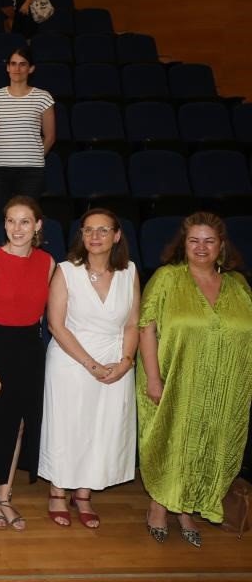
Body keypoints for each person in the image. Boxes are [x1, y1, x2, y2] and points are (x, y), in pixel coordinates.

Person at [138, 212, 252, 546]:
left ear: (221, 245)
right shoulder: (167, 278)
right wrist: (154, 378)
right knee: (173, 441)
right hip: (176, 379)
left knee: (209, 443)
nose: (201, 247)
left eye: (209, 241)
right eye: (194, 240)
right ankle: (159, 506)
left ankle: (187, 508)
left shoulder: (239, 285)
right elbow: (146, 327)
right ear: (183, 244)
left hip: (225, 385)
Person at [41, 209, 139, 529]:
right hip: (72, 360)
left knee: (102, 427)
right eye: (88, 230)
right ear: (81, 235)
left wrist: (125, 362)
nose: (95, 236)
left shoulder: (129, 271)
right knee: (68, 426)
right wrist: (90, 364)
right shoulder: (66, 271)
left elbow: (132, 323)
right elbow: (56, 325)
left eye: (103, 230)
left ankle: (83, 493)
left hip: (115, 359)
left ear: (117, 235)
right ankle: (58, 490)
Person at [0, 196, 54, 532]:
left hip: (29, 349)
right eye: (10, 221)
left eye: (24, 222)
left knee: (19, 425)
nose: (16, 229)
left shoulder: (48, 262)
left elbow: (46, 314)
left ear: (37, 226)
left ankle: (5, 495)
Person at [0, 46, 55, 233]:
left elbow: (50, 136)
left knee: (25, 220)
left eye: (23, 64)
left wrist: (34, 157)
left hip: (31, 172)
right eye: (13, 64)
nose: (17, 68)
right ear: (7, 67)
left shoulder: (43, 97)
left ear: (31, 69)